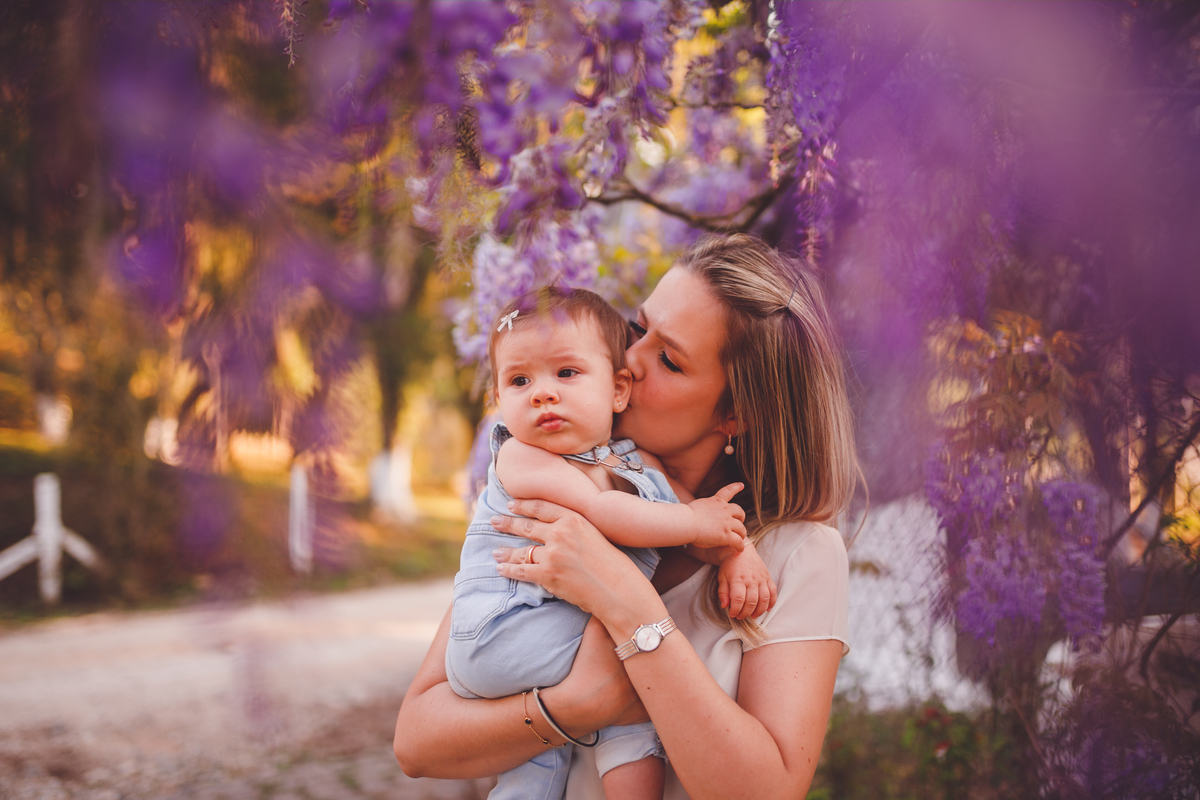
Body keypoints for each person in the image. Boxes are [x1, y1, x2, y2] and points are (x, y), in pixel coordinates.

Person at [396, 232, 857, 799]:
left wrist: (626, 603)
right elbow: (416, 741)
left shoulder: (797, 556)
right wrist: (570, 707)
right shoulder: (559, 483)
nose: (629, 361)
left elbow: (765, 792)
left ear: (736, 413)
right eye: (638, 329)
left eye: (668, 359)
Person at [448, 285, 776, 800]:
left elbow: (690, 516)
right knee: (640, 690)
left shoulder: (632, 462)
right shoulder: (519, 457)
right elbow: (615, 515)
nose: (542, 392)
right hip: (502, 631)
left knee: (532, 771)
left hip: (545, 636)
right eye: (518, 380)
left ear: (618, 390)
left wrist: (736, 550)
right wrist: (695, 524)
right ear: (499, 401)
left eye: (566, 372)